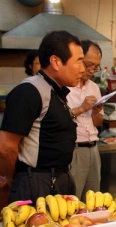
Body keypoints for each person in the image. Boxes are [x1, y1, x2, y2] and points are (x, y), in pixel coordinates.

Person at [0, 30, 97, 204]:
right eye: (79, 61)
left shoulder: (56, 91)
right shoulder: (29, 91)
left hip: (60, 178)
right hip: (36, 182)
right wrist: (10, 180)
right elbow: (6, 146)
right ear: (56, 62)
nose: (83, 69)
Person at [67, 40, 104, 201]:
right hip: (74, 149)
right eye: (88, 64)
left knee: (93, 200)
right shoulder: (65, 86)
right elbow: (58, 119)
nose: (91, 70)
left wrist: (96, 112)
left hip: (93, 148)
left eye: (96, 67)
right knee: (72, 200)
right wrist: (81, 108)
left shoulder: (94, 87)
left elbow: (98, 122)